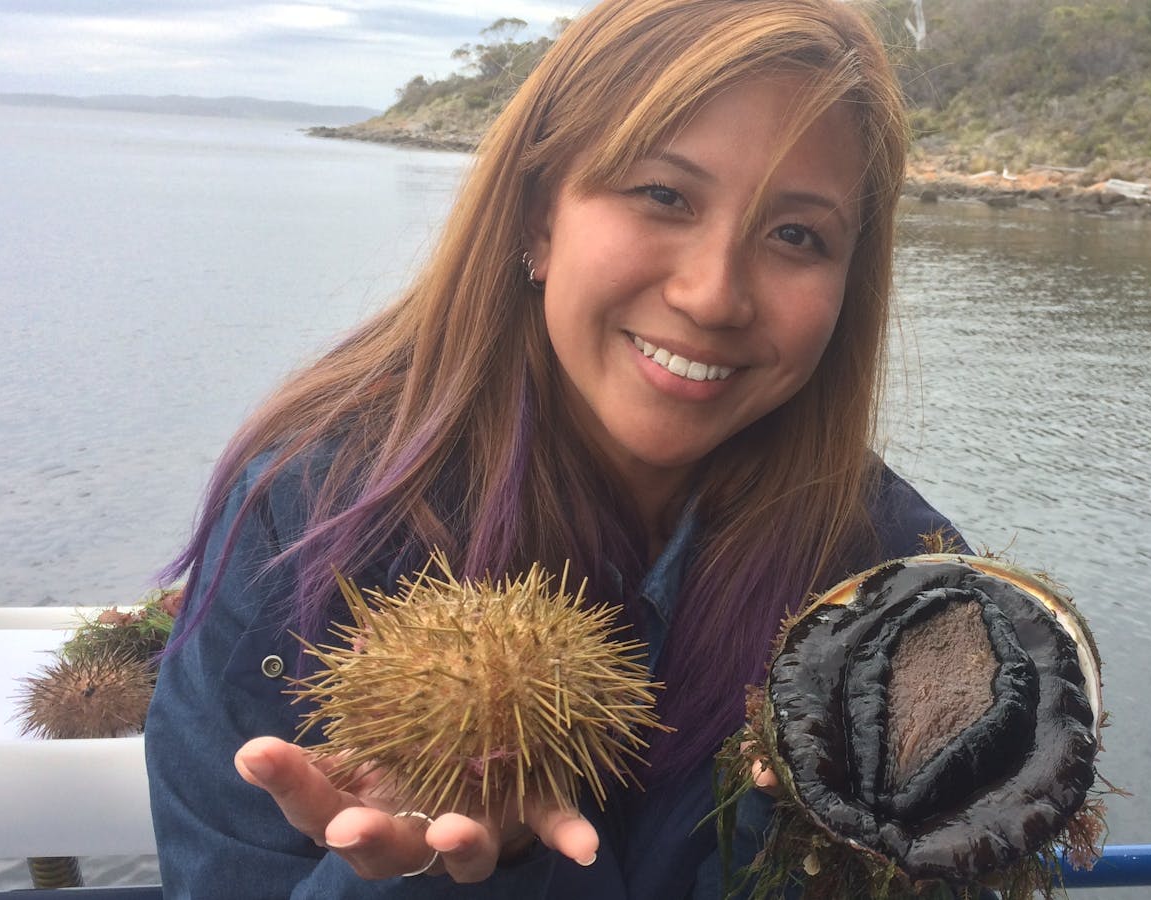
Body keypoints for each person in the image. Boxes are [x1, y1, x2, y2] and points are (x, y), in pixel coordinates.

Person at [144, 0, 966, 896]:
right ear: (539, 215)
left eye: (797, 235)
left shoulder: (897, 582)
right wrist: (436, 879)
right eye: (663, 195)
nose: (713, 294)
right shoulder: (310, 513)